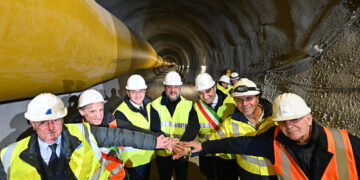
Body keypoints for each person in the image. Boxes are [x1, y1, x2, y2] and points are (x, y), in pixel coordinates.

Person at [181, 93, 360, 180]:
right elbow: (238, 144)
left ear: (309, 118)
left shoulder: (346, 143)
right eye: (282, 122)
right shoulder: (273, 140)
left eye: (295, 119)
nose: (289, 127)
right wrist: (203, 147)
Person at [0, 93, 171, 179]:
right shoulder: (8, 156)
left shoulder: (83, 132)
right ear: (32, 122)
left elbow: (122, 135)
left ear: (63, 118)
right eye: (43, 122)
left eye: (56, 120)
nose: (51, 128)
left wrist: (156, 141)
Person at [73, 88, 163, 179]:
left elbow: (133, 131)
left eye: (101, 110)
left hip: (119, 175)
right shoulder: (75, 134)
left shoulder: (112, 123)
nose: (99, 115)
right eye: (93, 111)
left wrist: (161, 138)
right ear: (81, 112)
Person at [211, 78, 277, 179]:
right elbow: (213, 144)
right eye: (239, 99)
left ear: (257, 98)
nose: (244, 104)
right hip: (247, 175)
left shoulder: (276, 118)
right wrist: (190, 149)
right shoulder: (230, 123)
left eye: (249, 98)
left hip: (276, 174)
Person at [151, 71, 199, 180]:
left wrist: (180, 146)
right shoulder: (155, 106)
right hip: (163, 153)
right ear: (164, 87)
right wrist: (169, 144)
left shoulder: (188, 105)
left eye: (176, 87)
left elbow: (194, 127)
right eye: (169, 87)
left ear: (180, 87)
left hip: (181, 151)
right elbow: (154, 128)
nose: (173, 90)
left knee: (182, 177)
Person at [192, 73, 236, 180]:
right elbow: (192, 129)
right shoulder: (197, 107)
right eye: (201, 93)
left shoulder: (231, 104)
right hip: (207, 155)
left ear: (214, 88)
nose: (205, 96)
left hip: (227, 155)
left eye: (208, 91)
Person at [113, 75, 156, 180]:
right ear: (128, 93)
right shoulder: (120, 113)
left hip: (147, 157)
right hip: (133, 162)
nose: (138, 95)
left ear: (145, 91)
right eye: (133, 92)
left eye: (141, 91)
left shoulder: (149, 105)